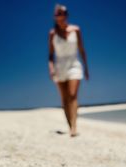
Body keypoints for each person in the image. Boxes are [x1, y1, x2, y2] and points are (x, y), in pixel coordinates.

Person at [48, 4, 89, 137]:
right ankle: (70, 125)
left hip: (74, 64)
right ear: (55, 17)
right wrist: (51, 68)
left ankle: (74, 127)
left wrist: (86, 68)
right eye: (57, 14)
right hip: (59, 66)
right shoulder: (52, 33)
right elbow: (50, 55)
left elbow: (82, 50)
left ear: (66, 15)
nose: (59, 16)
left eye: (61, 13)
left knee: (72, 95)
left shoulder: (76, 30)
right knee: (64, 99)